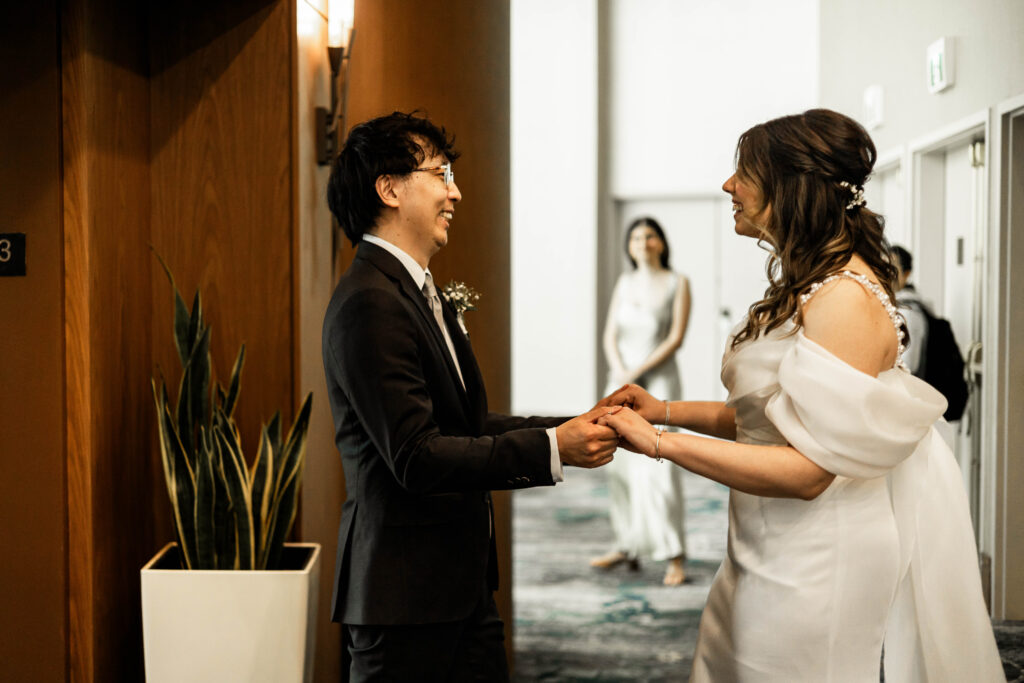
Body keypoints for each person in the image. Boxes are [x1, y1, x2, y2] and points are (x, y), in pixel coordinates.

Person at [598, 109, 1003, 681]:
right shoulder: (809, 281)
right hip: (764, 540)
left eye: (743, 172)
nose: (727, 186)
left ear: (792, 187)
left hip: (818, 554)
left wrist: (662, 443)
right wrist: (662, 408)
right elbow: (765, 418)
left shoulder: (843, 299)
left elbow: (808, 471)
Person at [322, 111, 618, 681]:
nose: (455, 192)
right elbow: (416, 454)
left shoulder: (415, 291)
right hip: (405, 600)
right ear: (389, 189)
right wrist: (553, 448)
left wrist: (581, 420)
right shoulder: (370, 302)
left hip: (458, 588)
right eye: (441, 173)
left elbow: (468, 424)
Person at [590, 217, 691, 585]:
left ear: (660, 243)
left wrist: (639, 371)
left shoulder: (678, 283)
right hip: (620, 380)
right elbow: (609, 334)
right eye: (635, 236)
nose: (642, 242)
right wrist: (620, 371)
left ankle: (673, 553)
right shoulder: (624, 281)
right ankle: (627, 545)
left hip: (658, 380)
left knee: (659, 462)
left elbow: (675, 337)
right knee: (619, 465)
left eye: (649, 236)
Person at [891, 245, 928, 374]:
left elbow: (908, 366)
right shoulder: (890, 304)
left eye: (893, 268)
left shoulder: (909, 311)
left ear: (906, 274)